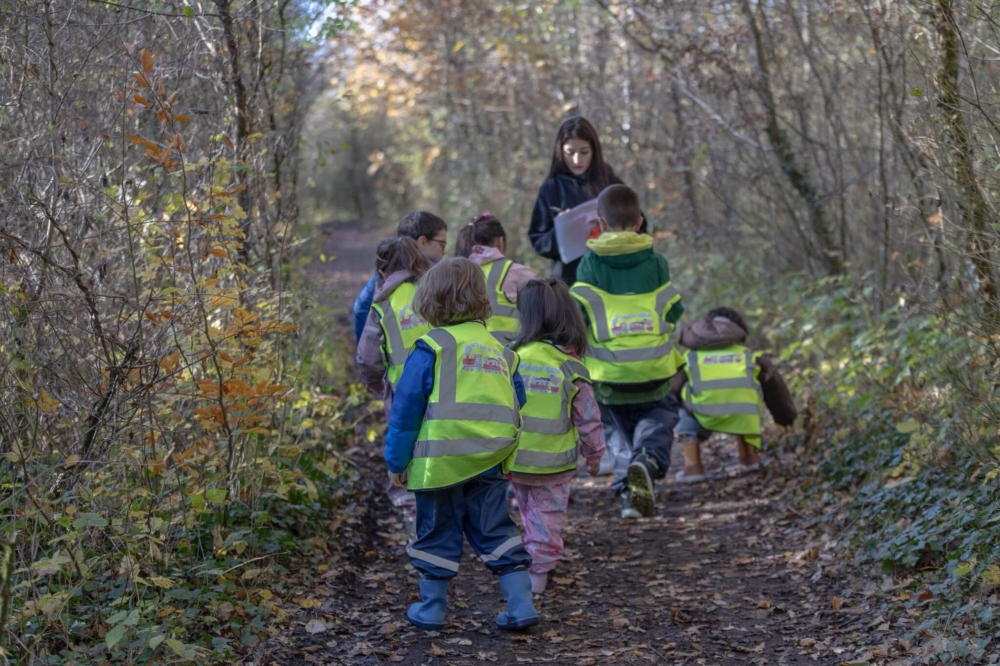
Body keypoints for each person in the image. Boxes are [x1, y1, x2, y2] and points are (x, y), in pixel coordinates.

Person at [384, 257, 540, 632]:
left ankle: (432, 609)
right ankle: (520, 604)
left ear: (430, 303)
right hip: (489, 460)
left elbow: (406, 412)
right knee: (497, 530)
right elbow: (518, 398)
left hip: (439, 465)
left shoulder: (431, 347)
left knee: (436, 531)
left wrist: (396, 461)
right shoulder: (500, 349)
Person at [570, 184, 684, 519]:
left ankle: (627, 497)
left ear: (600, 223)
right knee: (658, 418)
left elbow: (581, 316)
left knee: (616, 431)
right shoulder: (657, 263)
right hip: (654, 369)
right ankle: (647, 461)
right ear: (639, 222)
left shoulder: (588, 265)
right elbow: (673, 310)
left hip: (608, 372)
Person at [507, 278, 605, 594]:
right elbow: (588, 418)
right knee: (546, 518)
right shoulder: (570, 365)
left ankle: (531, 563)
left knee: (529, 514)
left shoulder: (511, 358)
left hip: (514, 459)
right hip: (553, 465)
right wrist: (594, 454)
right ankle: (537, 575)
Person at [671, 307, 797, 482]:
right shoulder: (749, 356)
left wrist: (666, 418)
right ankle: (751, 459)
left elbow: (672, 390)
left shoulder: (691, 357)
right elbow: (775, 390)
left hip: (702, 414)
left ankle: (693, 468)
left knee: (684, 420)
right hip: (743, 416)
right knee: (743, 407)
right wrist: (785, 418)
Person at [528, 116, 644, 285]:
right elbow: (538, 241)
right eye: (570, 152)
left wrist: (613, 230)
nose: (577, 160)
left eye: (584, 152)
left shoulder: (610, 183)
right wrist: (562, 230)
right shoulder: (551, 189)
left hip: (609, 280)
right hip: (569, 284)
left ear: (594, 151)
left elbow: (640, 226)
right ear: (560, 151)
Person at [352, 211, 448, 342]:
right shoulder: (435, 274)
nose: (444, 251)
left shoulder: (387, 267)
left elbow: (361, 308)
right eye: (442, 244)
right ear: (423, 241)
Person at [456, 213, 536, 345]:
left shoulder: (457, 273)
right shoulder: (518, 272)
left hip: (469, 352)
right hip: (512, 352)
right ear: (500, 241)